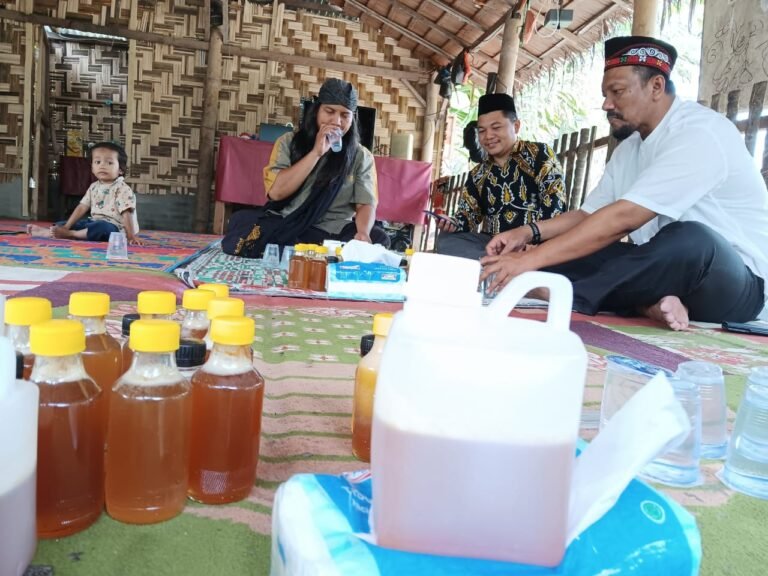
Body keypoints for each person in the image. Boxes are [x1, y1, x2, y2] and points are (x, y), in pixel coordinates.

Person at [480, 36, 768, 330]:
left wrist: (532, 262)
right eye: (606, 94)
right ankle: (645, 303)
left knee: (692, 240)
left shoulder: (700, 132)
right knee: (569, 247)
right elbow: (588, 215)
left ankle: (560, 291)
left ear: (656, 86)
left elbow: (624, 219)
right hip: (661, 271)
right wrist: (528, 234)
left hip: (735, 284)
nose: (607, 104)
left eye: (617, 92)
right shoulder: (631, 148)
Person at [222, 78, 390, 258]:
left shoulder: (360, 156)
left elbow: (366, 202)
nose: (337, 121)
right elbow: (276, 193)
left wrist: (363, 233)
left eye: (345, 115)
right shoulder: (289, 142)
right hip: (289, 222)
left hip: (334, 229)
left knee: (378, 237)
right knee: (243, 222)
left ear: (352, 118)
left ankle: (301, 252)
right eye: (329, 111)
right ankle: (319, 253)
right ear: (317, 110)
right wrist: (315, 154)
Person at [435, 92, 566, 260]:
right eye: (481, 131)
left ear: (516, 126)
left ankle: (498, 263)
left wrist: (533, 240)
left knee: (547, 247)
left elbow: (555, 207)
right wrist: (451, 224)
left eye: (496, 128)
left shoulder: (539, 154)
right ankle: (500, 261)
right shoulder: (478, 174)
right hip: (494, 245)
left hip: (533, 244)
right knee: (446, 241)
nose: (488, 136)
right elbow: (467, 217)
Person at [28, 142, 142, 245]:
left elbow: (126, 213)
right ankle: (52, 232)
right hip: (93, 222)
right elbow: (82, 207)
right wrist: (67, 226)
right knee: (62, 223)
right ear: (92, 167)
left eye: (109, 162)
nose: (102, 165)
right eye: (97, 162)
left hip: (116, 228)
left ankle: (71, 235)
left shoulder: (122, 188)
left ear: (120, 169)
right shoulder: (94, 187)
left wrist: (131, 236)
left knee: (101, 227)